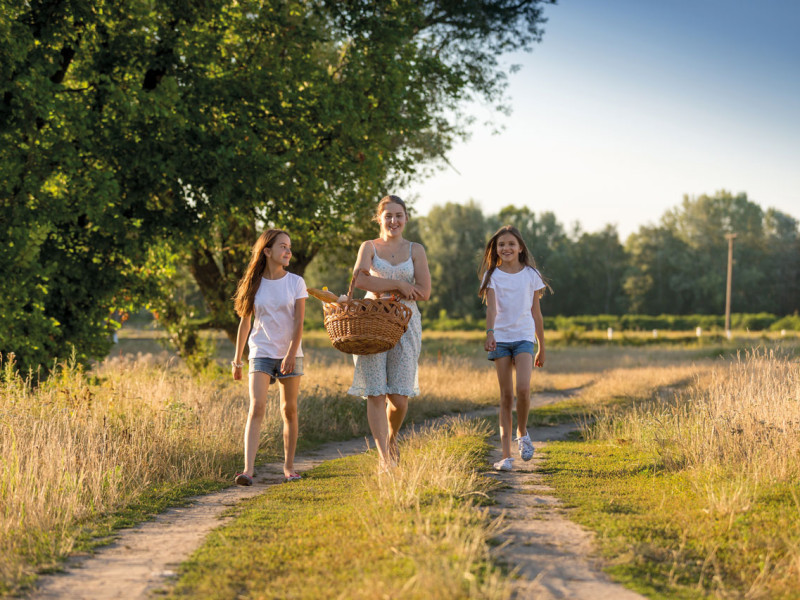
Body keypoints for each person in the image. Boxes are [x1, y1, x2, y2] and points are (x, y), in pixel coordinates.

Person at [348, 195, 431, 471]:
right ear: (379, 218)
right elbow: (359, 279)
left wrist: (389, 286)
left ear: (406, 218)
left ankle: (392, 438)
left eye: (399, 215)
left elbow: (424, 291)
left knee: (398, 398)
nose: (393, 221)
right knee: (375, 393)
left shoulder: (415, 250)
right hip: (372, 321)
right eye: (388, 216)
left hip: (406, 324)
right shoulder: (369, 247)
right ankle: (385, 459)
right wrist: (397, 283)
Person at [231, 229, 307, 485]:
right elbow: (245, 323)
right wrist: (237, 360)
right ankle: (247, 470)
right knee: (257, 407)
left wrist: (290, 354)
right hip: (261, 351)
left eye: (289, 247)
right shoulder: (254, 284)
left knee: (289, 410)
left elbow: (299, 323)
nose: (288, 251)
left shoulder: (296, 282)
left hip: (290, 353)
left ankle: (288, 468)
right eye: (283, 247)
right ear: (267, 251)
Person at [478, 225, 549, 472]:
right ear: (495, 250)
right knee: (506, 396)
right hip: (501, 339)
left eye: (511, 244)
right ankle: (506, 456)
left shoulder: (531, 275)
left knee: (524, 389)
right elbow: (492, 309)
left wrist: (541, 346)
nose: (506, 248)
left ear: (520, 248)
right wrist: (490, 333)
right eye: (501, 245)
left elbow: (536, 314)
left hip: (524, 338)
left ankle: (522, 431)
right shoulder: (492, 276)